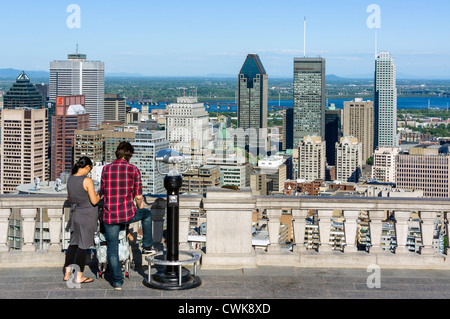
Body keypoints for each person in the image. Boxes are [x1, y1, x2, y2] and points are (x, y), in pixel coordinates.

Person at [100, 141, 157, 290]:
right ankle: (146, 245)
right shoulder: (133, 170)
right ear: (129, 155)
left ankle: (117, 282)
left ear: (117, 153)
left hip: (110, 215)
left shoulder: (106, 169)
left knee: (112, 249)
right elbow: (138, 197)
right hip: (126, 214)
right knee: (146, 214)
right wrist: (140, 205)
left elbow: (103, 191)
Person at [63, 157, 101, 285]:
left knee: (73, 244)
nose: (89, 172)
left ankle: (67, 273)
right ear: (86, 167)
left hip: (75, 215)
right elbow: (94, 200)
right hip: (87, 216)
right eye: (89, 169)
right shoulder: (87, 180)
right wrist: (101, 192)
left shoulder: (70, 179)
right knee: (83, 247)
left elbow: (70, 199)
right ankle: (79, 276)